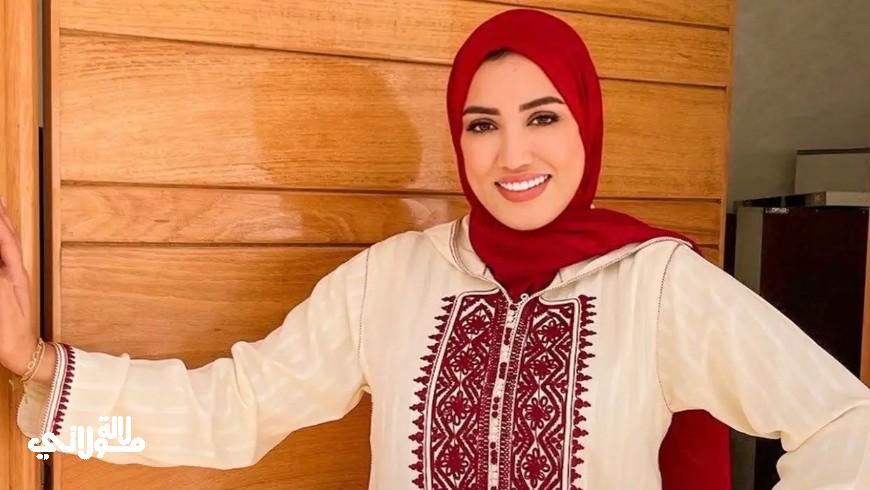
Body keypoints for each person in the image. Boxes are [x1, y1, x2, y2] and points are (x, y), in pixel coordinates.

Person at [1, 8, 868, 489]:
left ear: (586, 125)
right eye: (482, 125)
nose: (513, 155)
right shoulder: (392, 280)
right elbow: (231, 412)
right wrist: (38, 366)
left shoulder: (658, 284)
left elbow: (843, 424)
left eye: (543, 118)